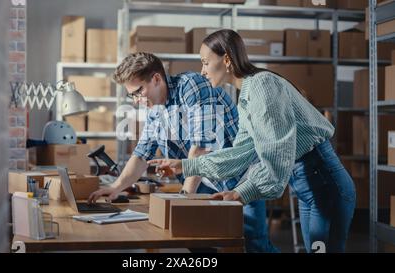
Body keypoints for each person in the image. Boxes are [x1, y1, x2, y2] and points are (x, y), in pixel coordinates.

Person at [149, 29, 356, 253]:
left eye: (206, 62)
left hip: (324, 184)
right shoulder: (247, 96)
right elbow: (240, 155)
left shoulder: (262, 86)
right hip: (308, 189)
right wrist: (186, 165)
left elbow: (276, 159)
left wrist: (241, 193)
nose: (203, 71)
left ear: (226, 59)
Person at [87, 52, 279, 253]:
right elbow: (143, 154)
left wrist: (184, 198)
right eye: (131, 95)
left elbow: (201, 148)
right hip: (203, 183)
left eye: (138, 91)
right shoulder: (155, 110)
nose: (136, 100)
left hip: (240, 178)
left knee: (254, 245)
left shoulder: (190, 86)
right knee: (194, 240)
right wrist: (116, 187)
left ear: (156, 79)